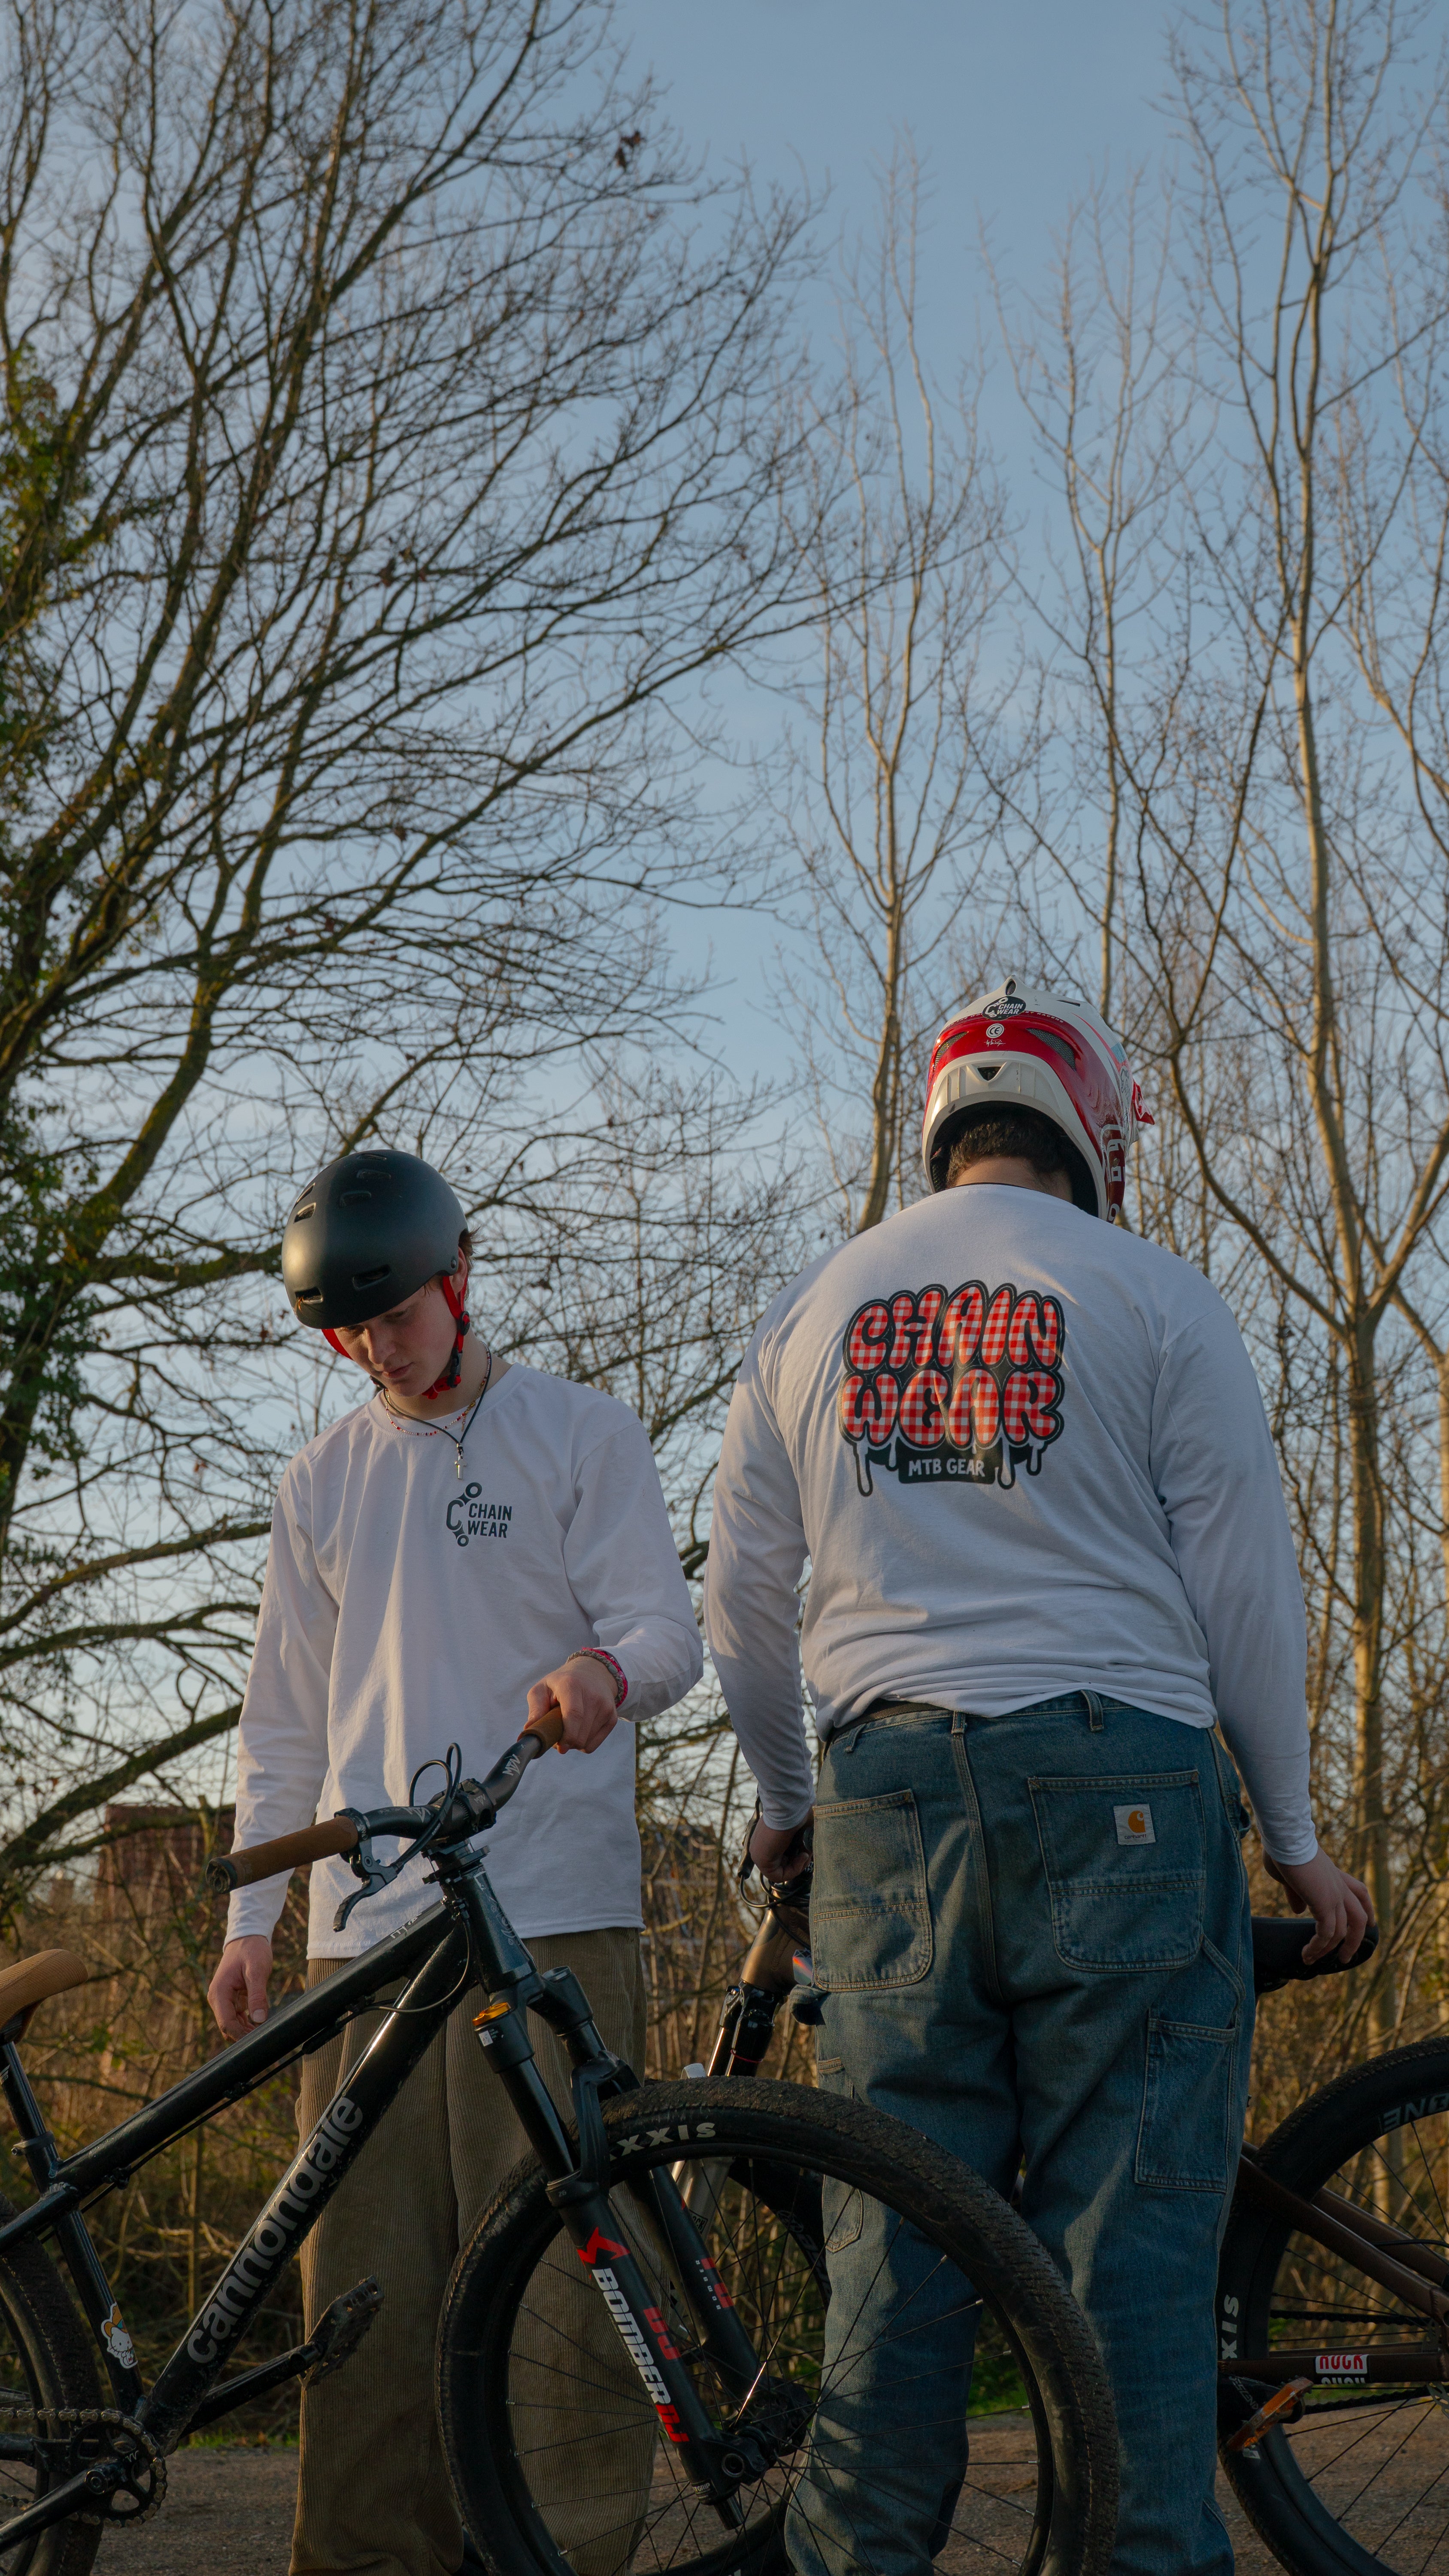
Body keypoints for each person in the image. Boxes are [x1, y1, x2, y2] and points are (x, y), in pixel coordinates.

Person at [703, 973, 1371, 2576]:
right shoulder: (1154, 1294)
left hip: (885, 1799)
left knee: (896, 2255)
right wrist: (1291, 1835)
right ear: (1093, 1129)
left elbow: (738, 1607)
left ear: (941, 1130)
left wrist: (790, 1810)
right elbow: (1245, 1594)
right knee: (1130, 2257)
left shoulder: (813, 1306)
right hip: (1122, 1788)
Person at [207, 1146, 701, 2576]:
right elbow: (282, 1723)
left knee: (563, 2279)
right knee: (363, 2293)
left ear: (460, 1275)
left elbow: (667, 1634)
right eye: (349, 1332)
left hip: (551, 1912)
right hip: (364, 1942)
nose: (380, 1349)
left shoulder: (580, 1434)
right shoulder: (322, 1482)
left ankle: (567, 2555)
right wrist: (251, 1920)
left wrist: (607, 1671)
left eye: (398, 1316)